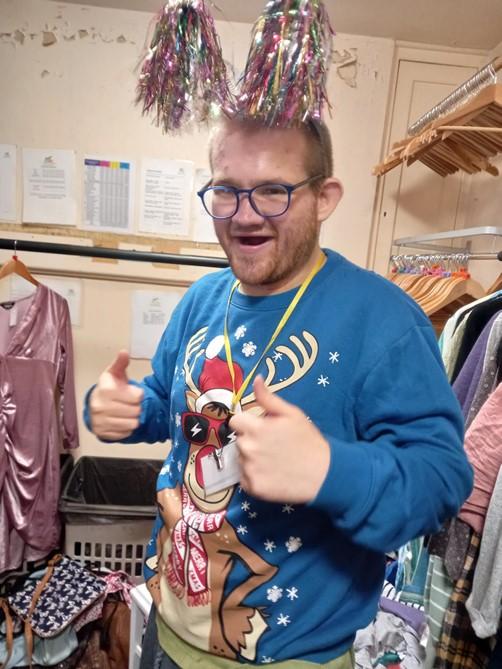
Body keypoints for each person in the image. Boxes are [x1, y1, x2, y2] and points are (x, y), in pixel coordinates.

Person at [85, 116, 473, 668]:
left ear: (324, 197)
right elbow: (168, 405)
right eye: (226, 190)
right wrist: (124, 409)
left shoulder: (383, 320)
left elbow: (442, 481)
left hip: (292, 657)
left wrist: (325, 469)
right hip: (167, 636)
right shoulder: (202, 299)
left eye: (273, 191)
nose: (245, 215)